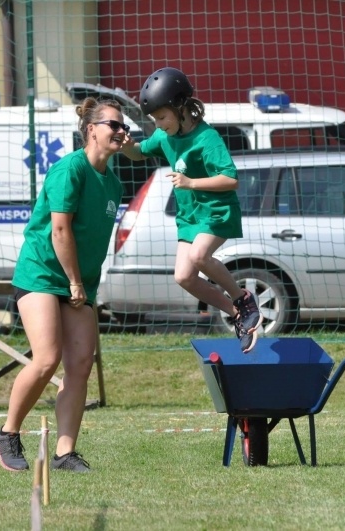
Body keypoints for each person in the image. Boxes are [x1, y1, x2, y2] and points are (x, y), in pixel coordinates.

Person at [0, 98, 125, 473]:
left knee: (80, 363)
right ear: (91, 130)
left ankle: (65, 453)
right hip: (44, 274)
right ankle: (6, 433)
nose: (120, 130)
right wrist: (74, 282)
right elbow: (61, 229)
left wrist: (83, 284)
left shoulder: (113, 180)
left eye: (122, 125)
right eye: (112, 124)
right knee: (47, 358)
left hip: (79, 282)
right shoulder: (70, 169)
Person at [121, 67, 263, 352]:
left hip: (216, 211)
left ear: (180, 106)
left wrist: (191, 181)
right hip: (190, 218)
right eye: (154, 119)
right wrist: (124, 146)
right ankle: (237, 313)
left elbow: (231, 179)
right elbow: (138, 152)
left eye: (162, 117)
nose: (158, 124)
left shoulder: (206, 139)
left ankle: (243, 298)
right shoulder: (165, 137)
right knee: (183, 277)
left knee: (199, 256)